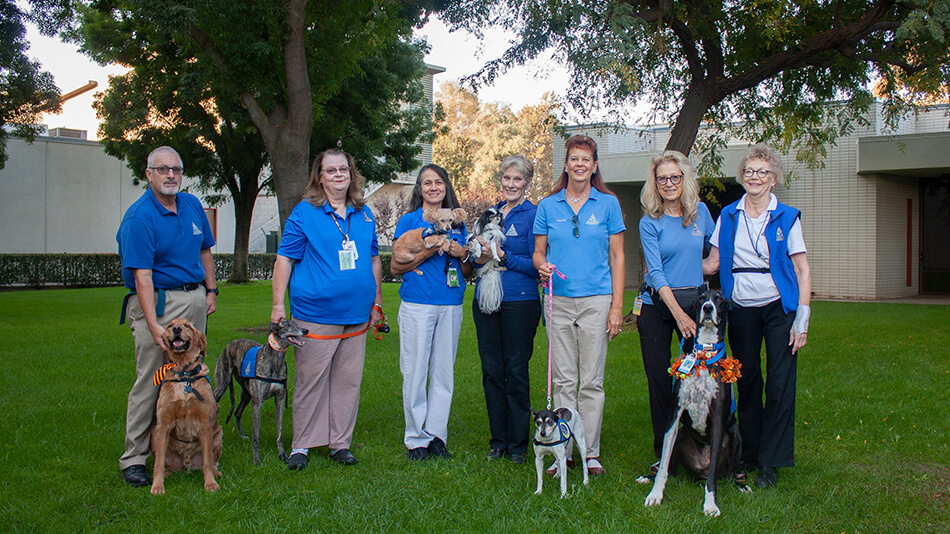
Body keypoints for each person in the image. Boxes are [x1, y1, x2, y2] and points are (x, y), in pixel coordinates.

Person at [706, 143, 812, 488]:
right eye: (749, 171)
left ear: (774, 180)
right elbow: (713, 263)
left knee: (781, 384)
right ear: (742, 177)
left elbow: (802, 268)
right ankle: (749, 453)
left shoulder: (786, 216)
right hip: (741, 309)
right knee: (748, 380)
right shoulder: (729, 215)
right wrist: (668, 265)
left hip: (779, 308)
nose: (755, 177)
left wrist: (803, 316)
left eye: (762, 172)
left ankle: (771, 462)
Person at [272, 148, 383, 470]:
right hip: (315, 315)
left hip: (358, 314)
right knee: (311, 381)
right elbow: (284, 259)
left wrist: (377, 301)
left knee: (348, 381)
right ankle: (302, 445)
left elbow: (374, 258)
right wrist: (278, 305)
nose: (338, 175)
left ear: (352, 175)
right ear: (319, 177)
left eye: (343, 170)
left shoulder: (364, 214)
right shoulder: (304, 213)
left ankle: (340, 444)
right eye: (331, 171)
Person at [116, 146, 218, 487]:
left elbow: (205, 249)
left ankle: (190, 443)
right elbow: (142, 277)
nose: (170, 175)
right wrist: (153, 324)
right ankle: (134, 458)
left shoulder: (190, 205)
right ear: (149, 174)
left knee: (192, 374)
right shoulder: (139, 218)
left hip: (194, 298)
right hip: (157, 302)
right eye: (162, 169)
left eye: (176, 168)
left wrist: (211, 291)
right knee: (152, 379)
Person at [533, 135, 625, 476]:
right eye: (574, 158)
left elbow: (617, 256)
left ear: (594, 165)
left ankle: (590, 451)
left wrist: (617, 306)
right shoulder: (548, 205)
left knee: (591, 380)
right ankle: (563, 449)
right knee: (563, 379)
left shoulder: (609, 204)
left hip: (596, 299)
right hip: (557, 299)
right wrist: (540, 264)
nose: (580, 164)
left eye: (586, 159)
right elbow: (538, 251)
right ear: (567, 164)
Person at [637, 151, 715, 468]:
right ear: (654, 184)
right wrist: (679, 316)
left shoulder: (701, 213)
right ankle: (664, 452)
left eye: (674, 177)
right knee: (659, 379)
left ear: (684, 179)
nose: (669, 183)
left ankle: (698, 445)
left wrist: (706, 268)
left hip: (694, 302)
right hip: (657, 305)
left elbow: (717, 249)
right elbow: (656, 274)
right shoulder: (649, 221)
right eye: (662, 178)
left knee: (698, 378)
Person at [391, 164, 472, 461]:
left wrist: (462, 253)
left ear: (446, 186)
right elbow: (396, 266)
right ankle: (416, 439)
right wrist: (429, 250)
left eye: (438, 182)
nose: (433, 187)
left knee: (443, 372)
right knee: (414, 370)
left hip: (450, 302)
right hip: (418, 303)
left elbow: (466, 269)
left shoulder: (457, 221)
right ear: (420, 189)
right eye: (427, 183)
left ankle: (437, 435)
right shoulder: (410, 220)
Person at [472, 155, 541, 464]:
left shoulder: (534, 215)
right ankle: (497, 441)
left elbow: (536, 264)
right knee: (491, 371)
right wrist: (481, 254)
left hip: (520, 300)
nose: (511, 184)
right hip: (486, 298)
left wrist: (502, 256)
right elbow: (476, 258)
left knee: (515, 370)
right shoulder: (490, 213)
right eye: (506, 179)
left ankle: (518, 444)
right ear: (500, 181)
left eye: (518, 179)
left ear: (527, 183)